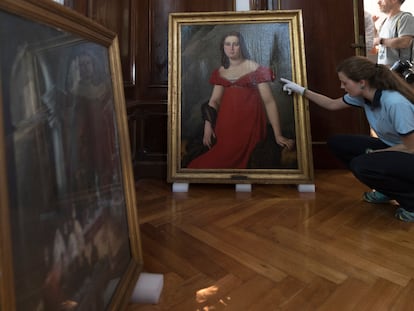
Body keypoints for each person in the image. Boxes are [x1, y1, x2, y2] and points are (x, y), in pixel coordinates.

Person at [280, 56, 414, 222]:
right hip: (397, 147)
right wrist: (300, 90)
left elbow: (411, 148)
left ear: (362, 82)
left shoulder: (395, 103)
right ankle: (386, 190)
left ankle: (411, 203)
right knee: (338, 143)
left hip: (410, 153)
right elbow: (331, 104)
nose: (341, 87)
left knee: (362, 164)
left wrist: (377, 153)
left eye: (345, 82)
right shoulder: (364, 96)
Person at [186, 31, 294, 169]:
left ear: (241, 46)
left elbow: (269, 101)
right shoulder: (221, 71)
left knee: (234, 156)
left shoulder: (255, 68)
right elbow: (214, 101)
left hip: (249, 123)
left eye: (235, 44)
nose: (231, 48)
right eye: (228, 44)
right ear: (223, 47)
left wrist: (278, 135)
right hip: (225, 124)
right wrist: (208, 126)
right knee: (206, 161)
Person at [374, 0, 414, 66]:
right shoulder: (384, 22)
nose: (378, 2)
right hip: (384, 72)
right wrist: (373, 25)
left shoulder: (405, 18)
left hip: (398, 74)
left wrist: (380, 41)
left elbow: (404, 42)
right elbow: (377, 41)